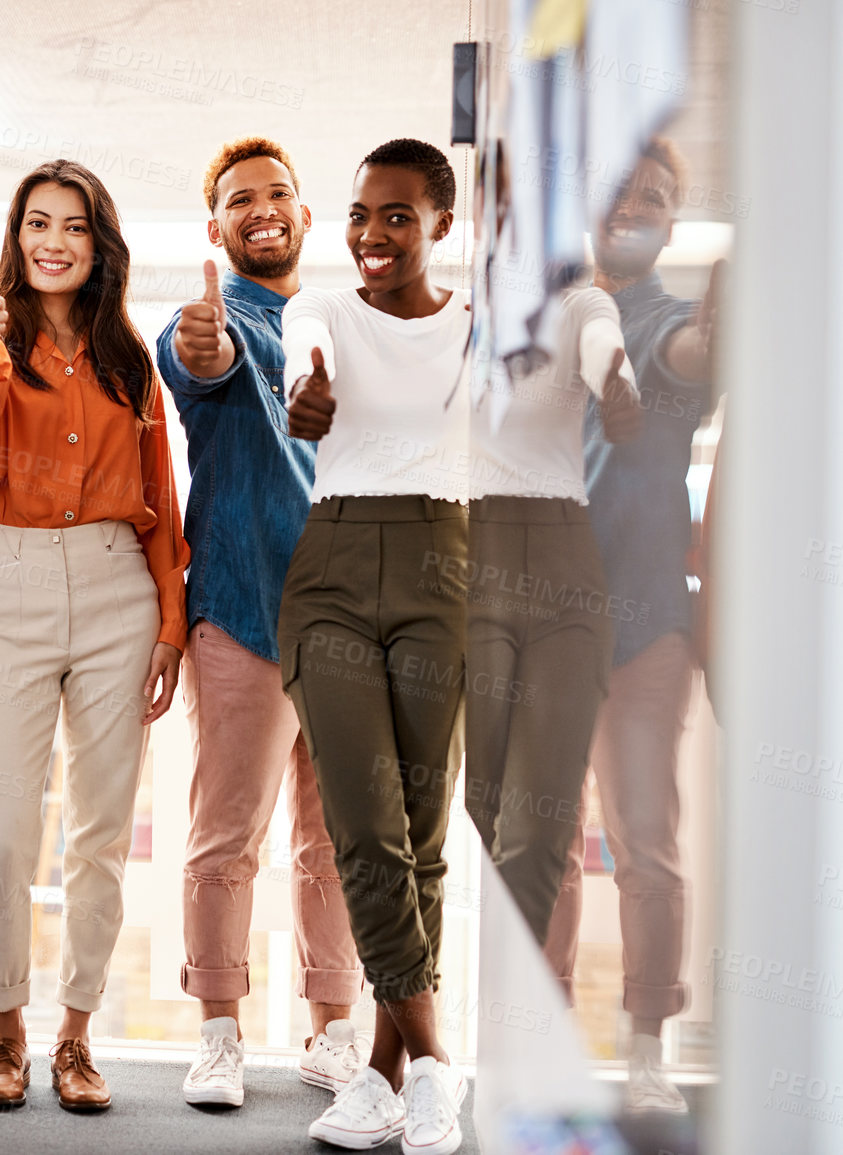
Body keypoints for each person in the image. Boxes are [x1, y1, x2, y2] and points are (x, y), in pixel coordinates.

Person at [0, 159, 190, 1112]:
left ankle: (74, 1037)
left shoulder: (131, 358)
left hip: (118, 588)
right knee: (1, 835)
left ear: (100, 245)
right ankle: (2, 1033)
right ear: (16, 238)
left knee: (97, 833)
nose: (53, 241)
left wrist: (169, 618)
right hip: (9, 583)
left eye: (74, 227)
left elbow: (162, 499)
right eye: (37, 223)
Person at [159, 136, 366, 1109]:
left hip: (345, 622)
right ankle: (219, 1035)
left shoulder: (351, 326)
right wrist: (208, 344)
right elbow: (197, 359)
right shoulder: (211, 319)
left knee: (334, 842)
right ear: (218, 228)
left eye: (279, 193)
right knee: (225, 836)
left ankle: (332, 1033)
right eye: (242, 199)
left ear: (305, 215)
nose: (263, 208)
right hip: (240, 614)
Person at [279, 139, 471, 1154]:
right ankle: (438, 1064)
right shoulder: (330, 313)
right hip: (335, 567)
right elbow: (304, 341)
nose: (372, 234)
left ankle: (386, 1075)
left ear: (441, 224)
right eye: (360, 214)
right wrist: (306, 379)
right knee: (365, 826)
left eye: (397, 216)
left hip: (446, 560)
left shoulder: (478, 331)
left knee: (423, 836)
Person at [542, 137, 720, 1114]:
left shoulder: (670, 328)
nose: (638, 202)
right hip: (542, 623)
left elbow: (690, 357)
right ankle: (546, 1042)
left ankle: (647, 1049)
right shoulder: (553, 316)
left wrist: (719, 330)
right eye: (624, 187)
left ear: (672, 222)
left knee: (645, 843)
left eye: (659, 193)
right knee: (546, 845)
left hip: (647, 625)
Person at [462, 275, 642, 945]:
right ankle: (512, 986)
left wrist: (615, 386)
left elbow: (602, 344)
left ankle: (520, 1014)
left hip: (561, 555)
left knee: (539, 822)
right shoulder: (454, 315)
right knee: (483, 804)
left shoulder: (578, 305)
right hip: (469, 555)